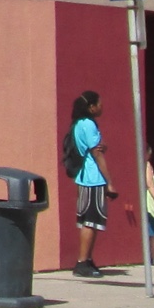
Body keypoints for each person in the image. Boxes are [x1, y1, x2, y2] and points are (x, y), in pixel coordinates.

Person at [70, 89, 110, 276]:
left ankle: (88, 258)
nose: (102, 107)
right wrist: (109, 182)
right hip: (92, 179)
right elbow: (97, 153)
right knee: (89, 221)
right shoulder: (87, 125)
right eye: (99, 103)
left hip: (88, 178)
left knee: (93, 222)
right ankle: (81, 262)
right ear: (91, 107)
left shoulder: (82, 124)